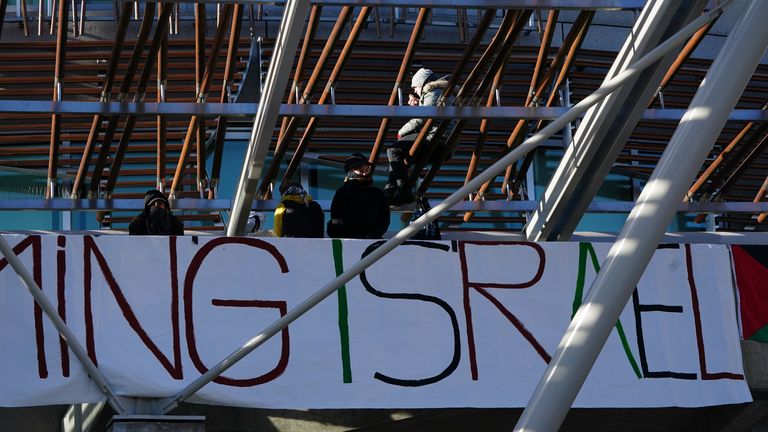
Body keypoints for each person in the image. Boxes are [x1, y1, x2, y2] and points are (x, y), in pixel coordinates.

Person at [384, 67, 450, 206]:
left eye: (415, 87)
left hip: (436, 139)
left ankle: (401, 191)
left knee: (394, 150)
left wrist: (401, 132)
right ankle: (392, 192)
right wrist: (418, 105)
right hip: (436, 138)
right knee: (398, 155)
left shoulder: (435, 91)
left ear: (423, 83)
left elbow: (423, 118)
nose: (415, 91)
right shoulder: (436, 93)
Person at [327, 153, 390, 239]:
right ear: (350, 171)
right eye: (361, 170)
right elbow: (337, 220)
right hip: (347, 242)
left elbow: (384, 220)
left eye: (366, 170)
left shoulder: (377, 192)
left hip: (371, 241)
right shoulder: (343, 192)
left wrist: (371, 236)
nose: (364, 174)